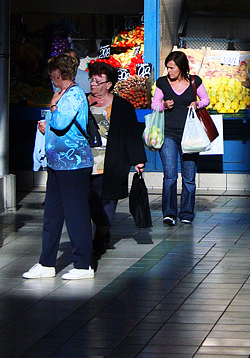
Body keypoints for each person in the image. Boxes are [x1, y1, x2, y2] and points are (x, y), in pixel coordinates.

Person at [23, 52, 95, 280]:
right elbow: (59, 126)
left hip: (73, 164)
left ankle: (84, 264)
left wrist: (53, 109)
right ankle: (46, 262)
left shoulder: (73, 95)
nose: (50, 76)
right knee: (52, 214)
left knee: (76, 215)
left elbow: (63, 122)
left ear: (59, 73)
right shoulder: (62, 94)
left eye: (52, 72)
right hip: (57, 163)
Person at [86, 61, 147, 255]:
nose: (93, 83)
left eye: (98, 80)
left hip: (112, 159)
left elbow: (131, 133)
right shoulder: (81, 102)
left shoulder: (122, 106)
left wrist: (138, 159)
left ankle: (101, 234)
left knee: (108, 199)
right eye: (91, 79)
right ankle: (99, 226)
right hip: (85, 160)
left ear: (109, 84)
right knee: (90, 199)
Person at [151, 50, 210, 226]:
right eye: (167, 68)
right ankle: (169, 213)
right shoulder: (162, 83)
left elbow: (206, 99)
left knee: (189, 177)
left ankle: (186, 212)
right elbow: (154, 104)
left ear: (182, 67)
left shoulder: (194, 82)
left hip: (190, 136)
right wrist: (163, 105)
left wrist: (197, 103)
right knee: (169, 175)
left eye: (172, 68)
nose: (169, 71)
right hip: (168, 134)